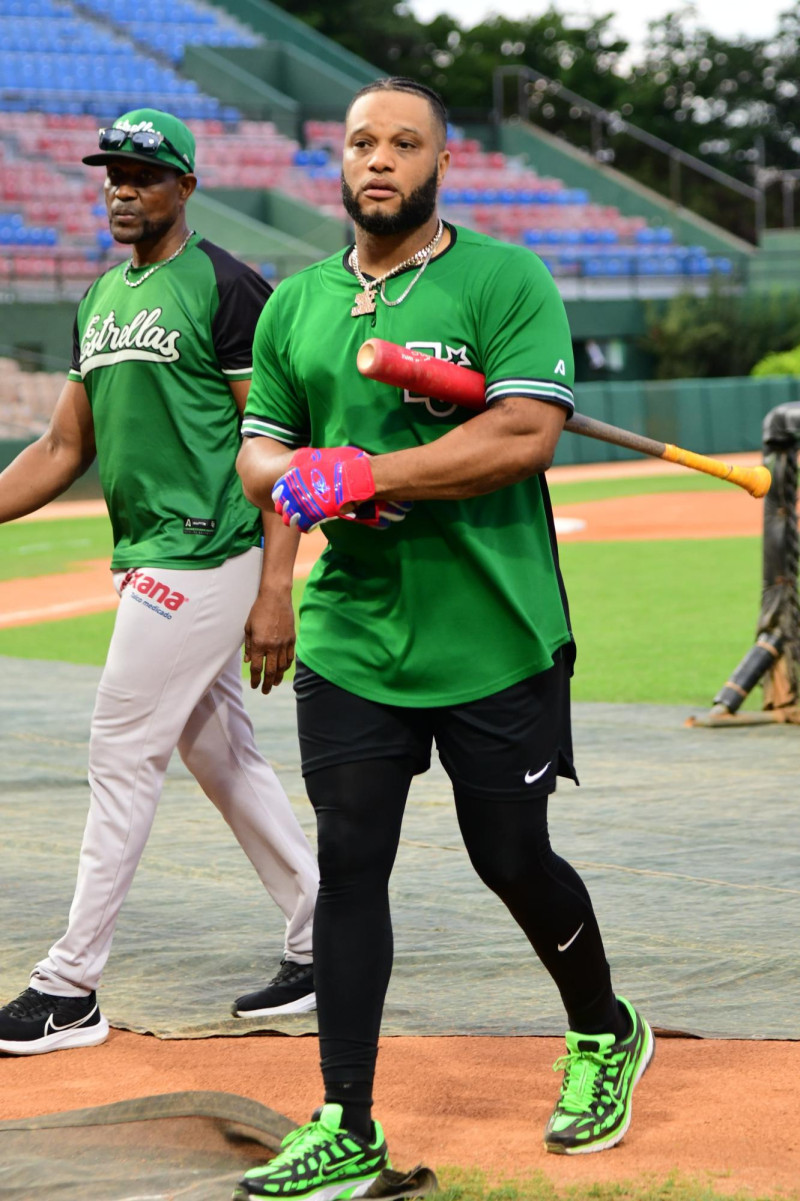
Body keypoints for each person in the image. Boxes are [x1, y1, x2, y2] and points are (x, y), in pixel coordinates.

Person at [232, 78, 654, 1199]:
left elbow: (522, 433)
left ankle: (603, 1030)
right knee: (350, 864)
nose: (379, 159)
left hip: (494, 632)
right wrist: (294, 519)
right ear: (339, 161)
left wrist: (370, 470)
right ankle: (346, 1120)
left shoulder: (503, 278)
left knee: (507, 855)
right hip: (352, 635)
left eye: (402, 143)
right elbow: (262, 456)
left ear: (440, 163)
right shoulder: (297, 306)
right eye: (361, 140)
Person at [0, 108, 319, 1057]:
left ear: (185, 186)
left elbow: (275, 442)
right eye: (113, 173)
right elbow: (64, 445)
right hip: (153, 553)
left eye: (143, 173)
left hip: (208, 550)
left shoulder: (224, 286)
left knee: (120, 750)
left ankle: (70, 987)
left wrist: (275, 587)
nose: (123, 188)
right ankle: (325, 934)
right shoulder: (100, 297)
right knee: (222, 756)